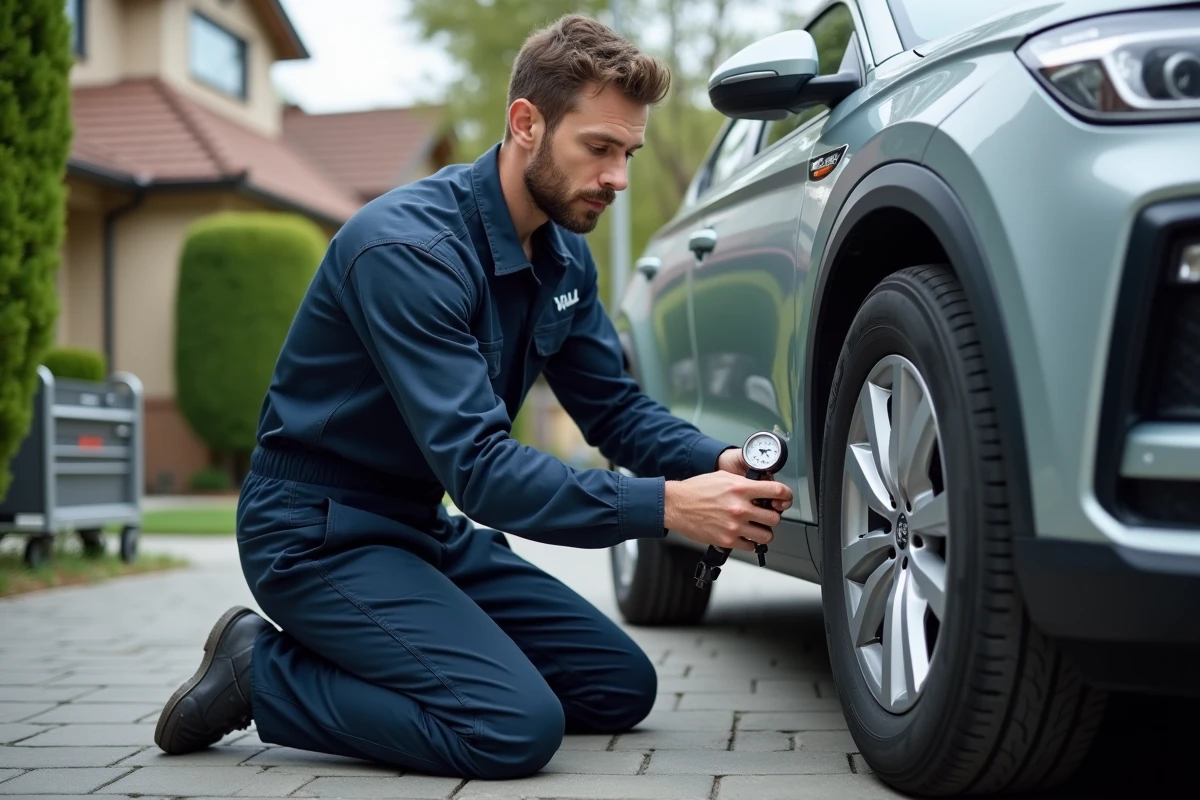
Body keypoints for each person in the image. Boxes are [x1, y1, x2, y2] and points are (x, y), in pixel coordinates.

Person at [152, 13, 793, 781]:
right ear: (527, 123)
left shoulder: (563, 258)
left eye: (629, 152)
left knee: (618, 685)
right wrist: (667, 507)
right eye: (599, 148)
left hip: (420, 528)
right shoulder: (407, 252)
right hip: (314, 535)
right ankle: (261, 673)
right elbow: (484, 472)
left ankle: (417, 655)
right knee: (512, 727)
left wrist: (713, 460)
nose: (618, 178)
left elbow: (614, 410)